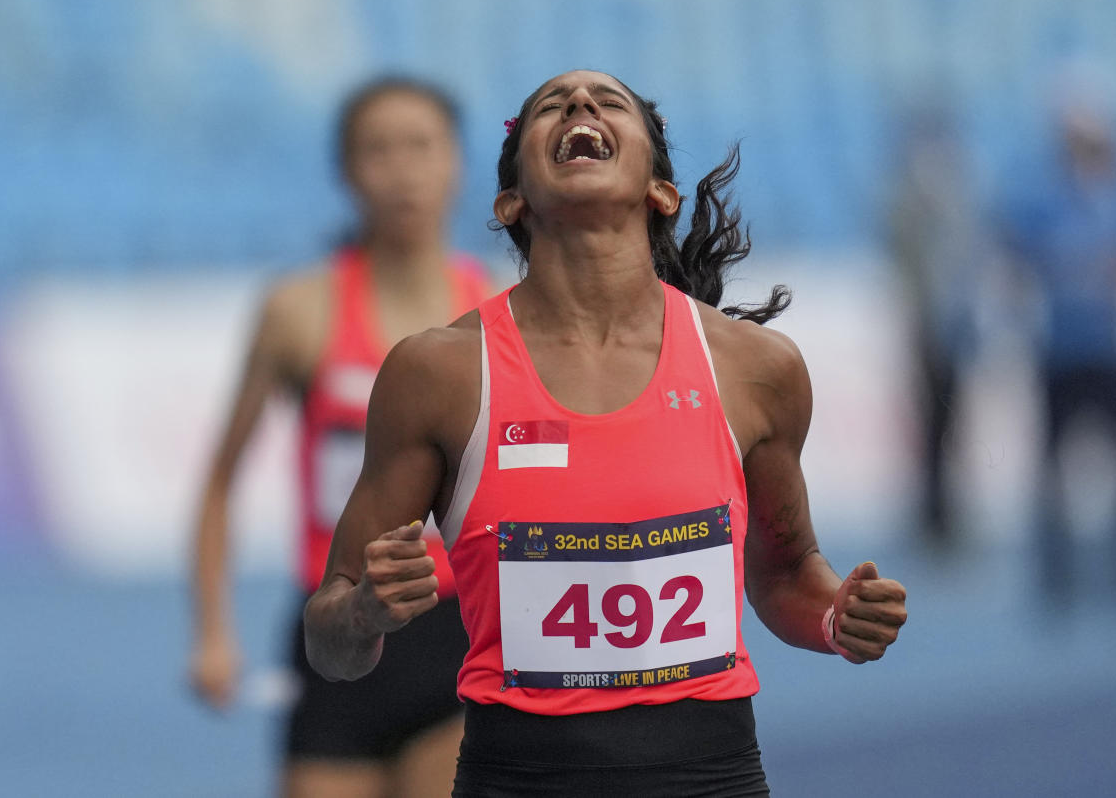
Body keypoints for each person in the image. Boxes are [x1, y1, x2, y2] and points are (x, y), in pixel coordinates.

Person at [304, 70, 908, 796]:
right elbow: (327, 638)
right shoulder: (439, 375)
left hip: (710, 780)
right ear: (511, 201)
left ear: (661, 192)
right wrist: (365, 610)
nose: (581, 105)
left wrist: (838, 617)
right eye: (551, 107)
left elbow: (783, 575)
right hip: (518, 780)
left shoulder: (755, 370)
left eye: (607, 102)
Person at [189, 77, 493, 798]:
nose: (403, 172)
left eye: (421, 147)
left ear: (455, 162)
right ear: (347, 171)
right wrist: (212, 632)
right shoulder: (298, 313)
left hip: (457, 633)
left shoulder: (498, 311)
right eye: (378, 151)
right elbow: (219, 484)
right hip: (332, 626)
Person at [996, 58, 1116, 605]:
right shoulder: (1047, 194)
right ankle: (1058, 580)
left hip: (1108, 347)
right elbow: (1012, 241)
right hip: (1062, 349)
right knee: (1052, 469)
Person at [885, 101, 985, 548]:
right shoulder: (913, 199)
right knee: (933, 426)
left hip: (952, 327)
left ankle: (946, 514)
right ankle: (933, 517)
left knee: (952, 426)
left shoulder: (950, 197)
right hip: (928, 328)